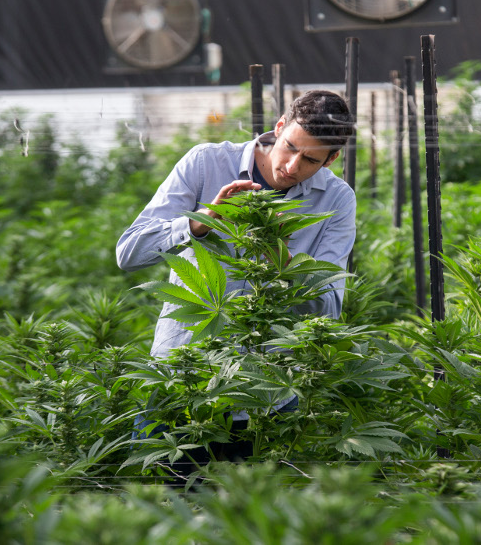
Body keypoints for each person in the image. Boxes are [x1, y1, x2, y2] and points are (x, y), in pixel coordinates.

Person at [116, 90, 356, 468]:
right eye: (290, 147)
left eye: (310, 159)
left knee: (251, 520)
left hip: (267, 393)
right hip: (185, 376)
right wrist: (201, 221)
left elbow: (328, 307)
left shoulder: (337, 200)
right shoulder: (206, 162)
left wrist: (280, 257)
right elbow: (129, 253)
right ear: (279, 127)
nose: (292, 166)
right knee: (157, 507)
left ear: (332, 158)